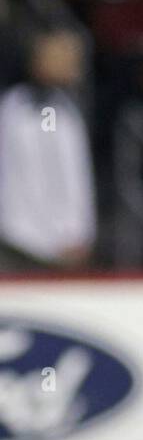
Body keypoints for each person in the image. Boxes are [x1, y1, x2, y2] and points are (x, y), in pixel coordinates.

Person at [0, 27, 95, 269]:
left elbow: (71, 176)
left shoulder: (62, 112)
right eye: (61, 54)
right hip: (18, 236)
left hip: (56, 243)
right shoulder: (14, 108)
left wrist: (76, 232)